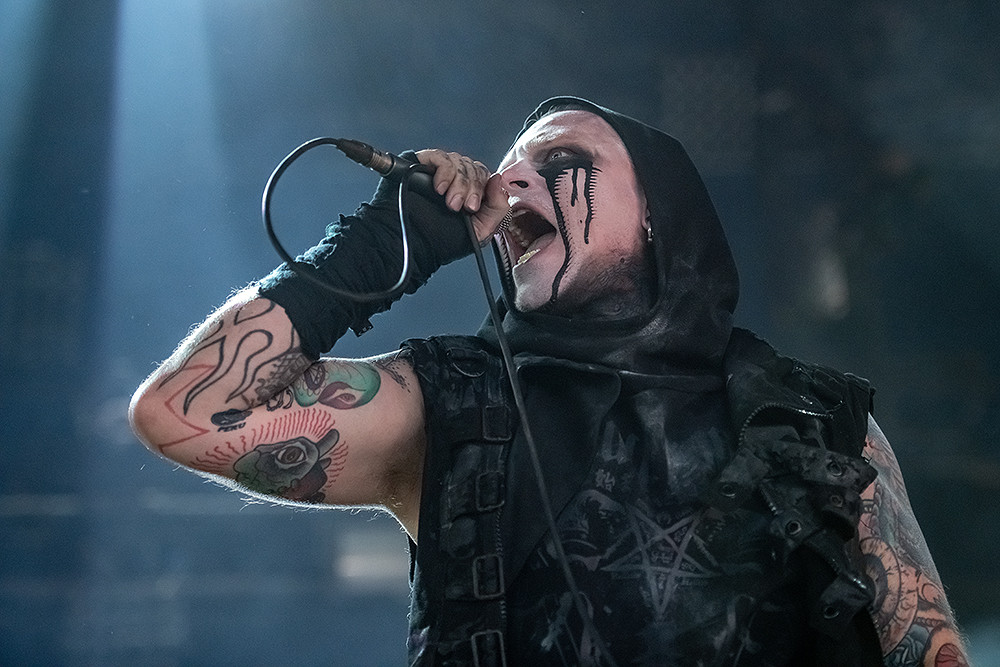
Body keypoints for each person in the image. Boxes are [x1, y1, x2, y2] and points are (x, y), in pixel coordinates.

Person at [129, 97, 968, 666]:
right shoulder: (451, 399)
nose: (510, 184)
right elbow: (185, 412)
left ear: (657, 213)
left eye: (560, 159)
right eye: (507, 169)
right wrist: (380, 243)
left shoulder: (810, 416)